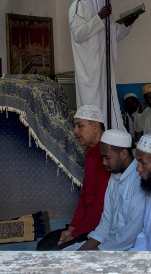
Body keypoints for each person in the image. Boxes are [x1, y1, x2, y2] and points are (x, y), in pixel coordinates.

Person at [69, 0, 140, 132]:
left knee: (107, 106)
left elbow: (110, 35)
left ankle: (110, 139)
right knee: (92, 109)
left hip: (103, 67)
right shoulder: (79, 5)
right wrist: (99, 17)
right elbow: (78, 34)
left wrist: (127, 25)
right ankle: (94, 143)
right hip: (89, 72)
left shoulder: (102, 11)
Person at [36, 105, 110, 250]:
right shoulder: (89, 155)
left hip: (98, 229)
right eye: (75, 126)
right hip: (85, 226)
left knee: (53, 251)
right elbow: (84, 198)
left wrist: (75, 233)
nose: (75, 131)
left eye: (80, 126)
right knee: (44, 244)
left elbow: (100, 207)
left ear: (96, 126)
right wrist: (71, 229)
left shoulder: (105, 158)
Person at [75, 129, 146, 251]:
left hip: (127, 250)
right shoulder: (114, 176)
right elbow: (105, 224)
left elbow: (131, 234)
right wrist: (82, 252)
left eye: (107, 157)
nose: (103, 162)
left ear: (124, 153)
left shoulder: (139, 180)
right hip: (106, 245)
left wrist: (96, 253)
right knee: (64, 254)